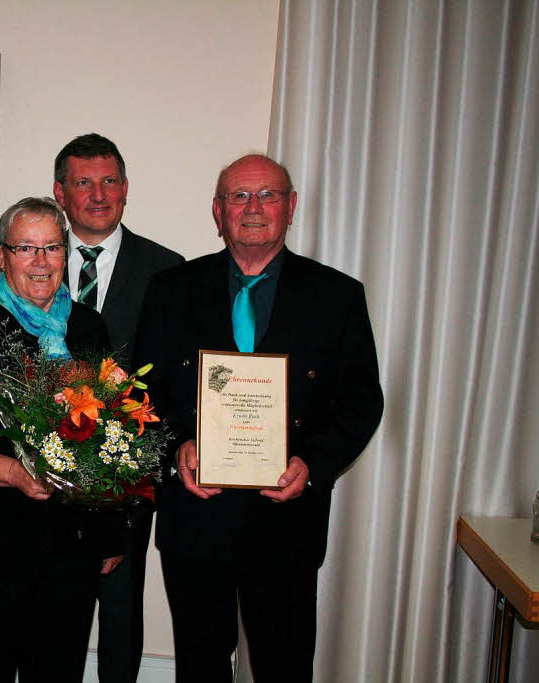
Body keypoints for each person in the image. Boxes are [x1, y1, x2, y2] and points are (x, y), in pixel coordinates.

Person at [134, 154, 383, 682]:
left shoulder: (337, 296)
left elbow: (362, 400)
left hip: (286, 521)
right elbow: (142, 392)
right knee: (199, 667)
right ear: (217, 211)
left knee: (284, 667)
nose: (253, 208)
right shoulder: (172, 290)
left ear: (291, 207)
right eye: (238, 197)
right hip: (197, 518)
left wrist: (312, 464)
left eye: (267, 195)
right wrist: (177, 445)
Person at [0, 197, 123, 682]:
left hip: (74, 544)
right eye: (27, 248)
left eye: (52, 246)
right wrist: (11, 472)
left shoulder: (89, 327)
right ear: (2, 256)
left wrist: (110, 533)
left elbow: (113, 431)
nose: (42, 261)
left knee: (60, 670)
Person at [53, 133, 184, 682]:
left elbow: (176, 380)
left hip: (129, 479)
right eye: (84, 182)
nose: (98, 194)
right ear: (60, 193)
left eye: (109, 181)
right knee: (55, 616)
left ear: (126, 190)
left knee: (122, 610)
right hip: (47, 474)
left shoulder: (168, 270)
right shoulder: (36, 256)